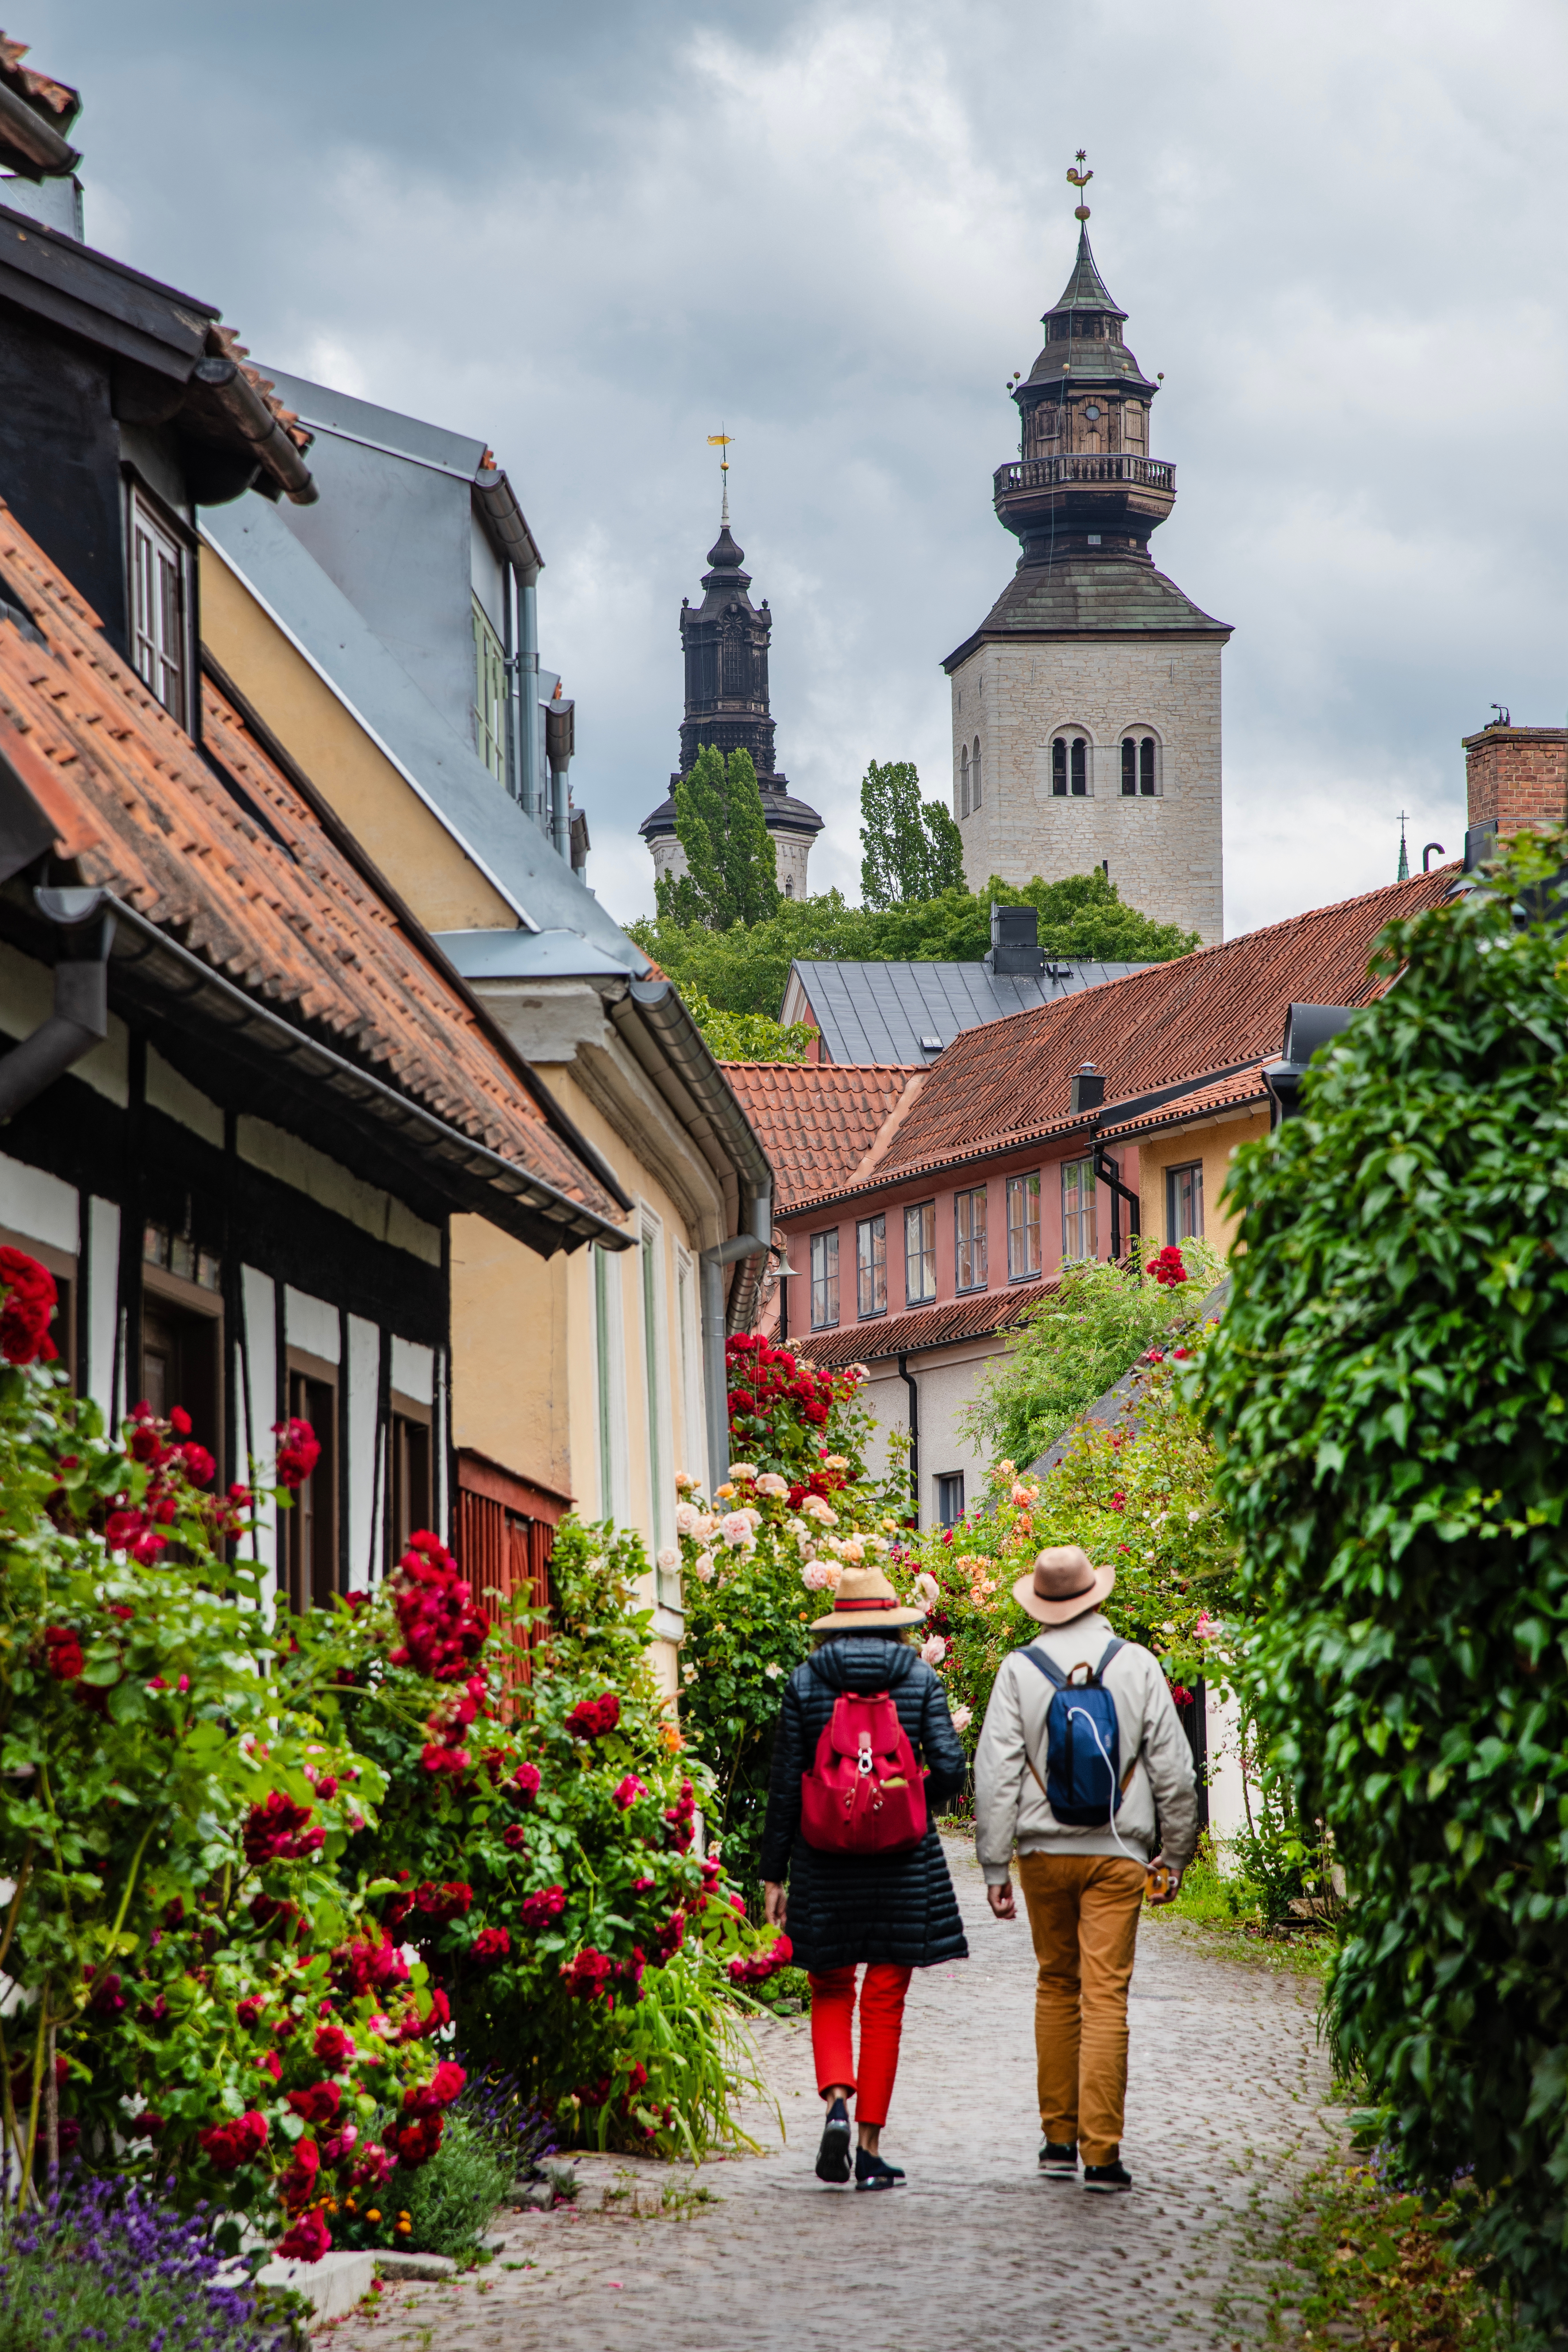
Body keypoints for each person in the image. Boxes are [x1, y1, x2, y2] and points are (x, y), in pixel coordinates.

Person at [972, 1544, 1198, 2194]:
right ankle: (1102, 2155)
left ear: (1041, 1604)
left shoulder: (1019, 1670)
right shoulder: (1136, 1665)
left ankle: (1056, 2140)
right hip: (1120, 1853)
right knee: (1106, 1997)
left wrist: (994, 1864)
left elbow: (996, 1772)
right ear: (1097, 1597)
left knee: (1055, 1986)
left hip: (1043, 1855)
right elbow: (1174, 1772)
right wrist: (1174, 1855)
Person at [761, 1561, 968, 2190]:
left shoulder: (806, 1680)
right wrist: (910, 1801)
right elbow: (953, 1768)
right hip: (903, 1864)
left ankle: (836, 2105)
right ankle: (871, 2149)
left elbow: (783, 1784)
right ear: (893, 1622)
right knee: (884, 2002)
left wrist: (774, 1875)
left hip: (823, 1862)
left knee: (829, 1990)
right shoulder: (918, 1676)